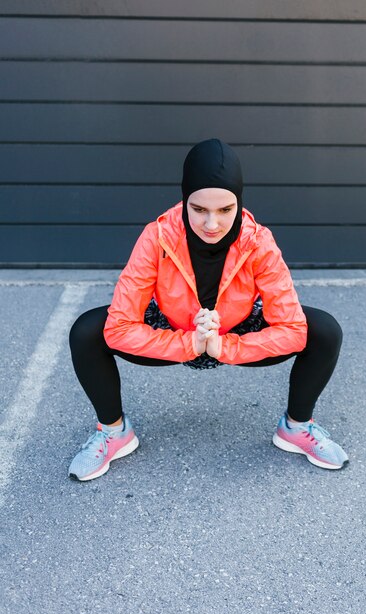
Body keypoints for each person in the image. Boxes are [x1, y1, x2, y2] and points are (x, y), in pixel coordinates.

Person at [68, 138, 348, 481]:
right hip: (174, 328)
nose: (211, 224)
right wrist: (190, 344)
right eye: (199, 209)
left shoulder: (258, 241)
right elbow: (119, 326)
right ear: (185, 200)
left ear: (239, 203)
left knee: (324, 330)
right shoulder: (156, 237)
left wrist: (223, 346)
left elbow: (292, 329)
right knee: (87, 330)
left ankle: (296, 426)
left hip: (235, 329)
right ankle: (114, 432)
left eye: (225, 210)